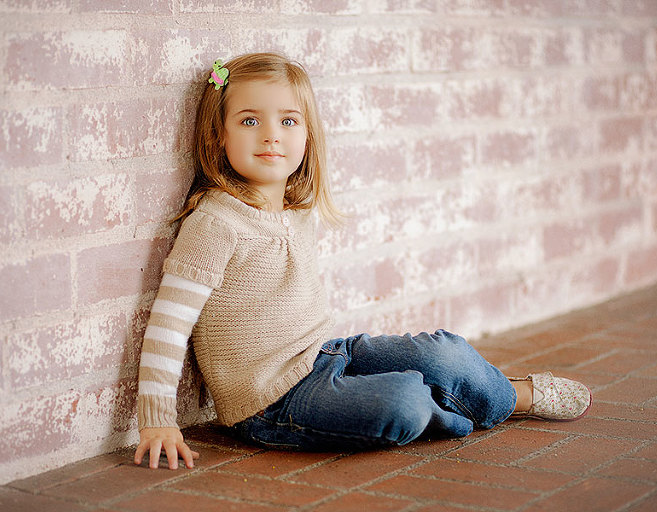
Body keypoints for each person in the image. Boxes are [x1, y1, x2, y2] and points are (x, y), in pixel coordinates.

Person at [133, 53, 592, 470]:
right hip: (271, 402)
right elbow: (169, 323)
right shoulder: (215, 222)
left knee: (443, 352)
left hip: (327, 355)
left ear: (308, 136)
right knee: (404, 401)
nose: (272, 134)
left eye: (288, 121)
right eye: (250, 120)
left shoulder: (297, 212)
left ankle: (512, 396)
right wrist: (157, 420)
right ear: (219, 133)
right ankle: (456, 408)